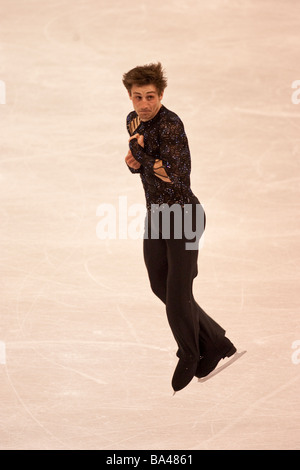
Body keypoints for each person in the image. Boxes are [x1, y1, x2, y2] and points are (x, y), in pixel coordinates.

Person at [122, 62, 236, 392]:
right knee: (161, 286)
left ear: (161, 94)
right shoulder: (132, 121)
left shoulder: (171, 125)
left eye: (151, 97)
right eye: (137, 97)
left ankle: (191, 353)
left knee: (177, 294)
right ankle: (215, 340)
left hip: (183, 215)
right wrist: (135, 163)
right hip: (157, 215)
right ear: (129, 97)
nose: (144, 104)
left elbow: (174, 178)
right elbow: (145, 163)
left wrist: (139, 157)